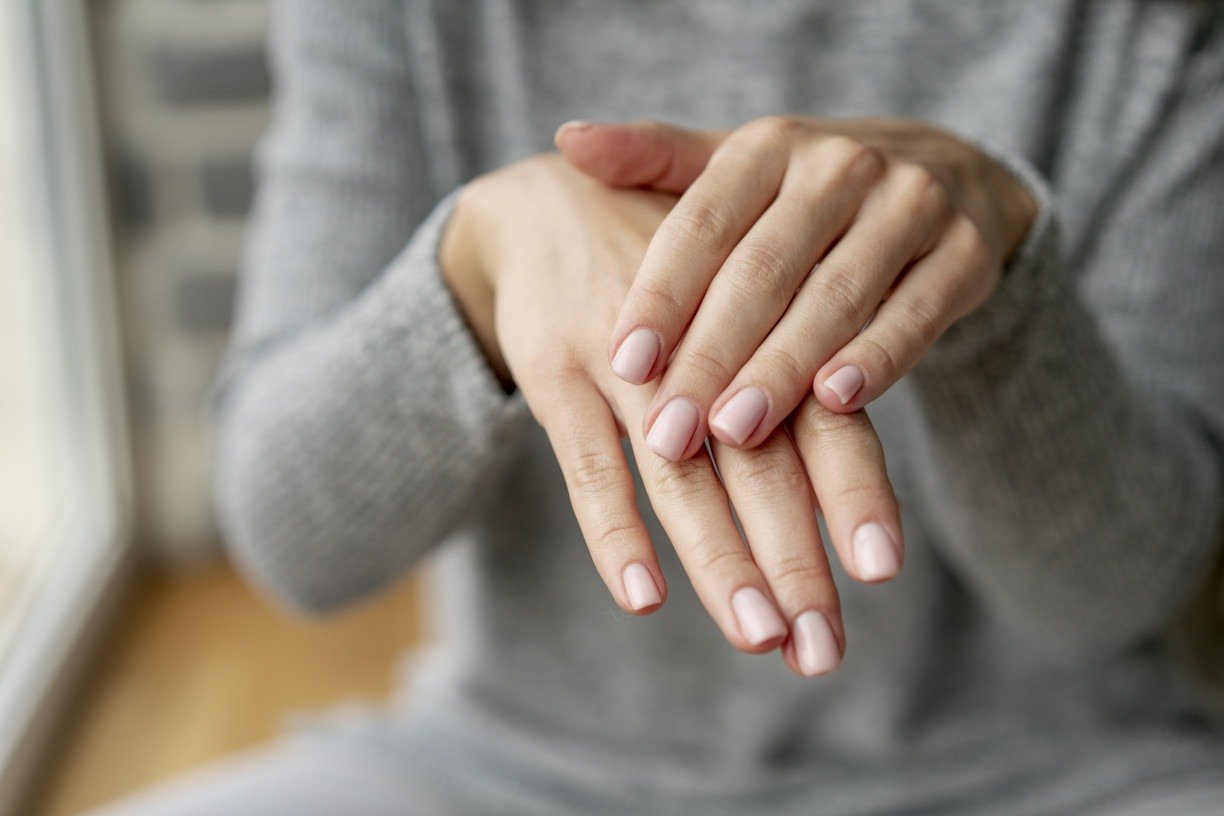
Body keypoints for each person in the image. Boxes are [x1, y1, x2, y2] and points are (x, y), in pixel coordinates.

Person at [91, 1, 1224, 814]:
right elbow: (296, 543)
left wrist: (1001, 274)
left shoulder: (1146, 26)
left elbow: (1118, 593)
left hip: (1057, 770)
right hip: (511, 769)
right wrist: (470, 277)